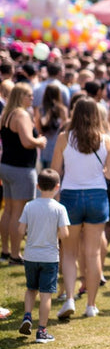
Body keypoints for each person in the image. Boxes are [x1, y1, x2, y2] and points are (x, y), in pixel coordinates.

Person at [51, 97, 110, 319]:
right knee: (93, 253)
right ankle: (91, 304)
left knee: (69, 253)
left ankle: (69, 297)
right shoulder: (106, 139)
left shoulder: (63, 138)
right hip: (97, 196)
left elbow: (54, 171)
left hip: (70, 196)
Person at [17, 168, 70, 343]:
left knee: (31, 289)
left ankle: (26, 316)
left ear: (38, 186)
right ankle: (42, 331)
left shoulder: (29, 206)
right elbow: (64, 234)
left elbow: (20, 230)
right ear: (57, 187)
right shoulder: (59, 208)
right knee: (46, 294)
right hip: (49, 257)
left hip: (31, 255)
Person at [0, 83, 47, 263]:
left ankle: (5, 250)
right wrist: (40, 141)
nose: (32, 98)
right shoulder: (21, 114)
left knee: (9, 210)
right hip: (21, 168)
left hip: (7, 165)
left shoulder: (5, 114)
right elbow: (27, 141)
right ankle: (14, 254)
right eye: (29, 95)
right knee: (19, 212)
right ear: (20, 96)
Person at [34, 83, 69, 169]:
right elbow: (65, 127)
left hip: (44, 145)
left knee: (44, 171)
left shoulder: (41, 109)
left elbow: (38, 128)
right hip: (58, 143)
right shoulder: (62, 110)